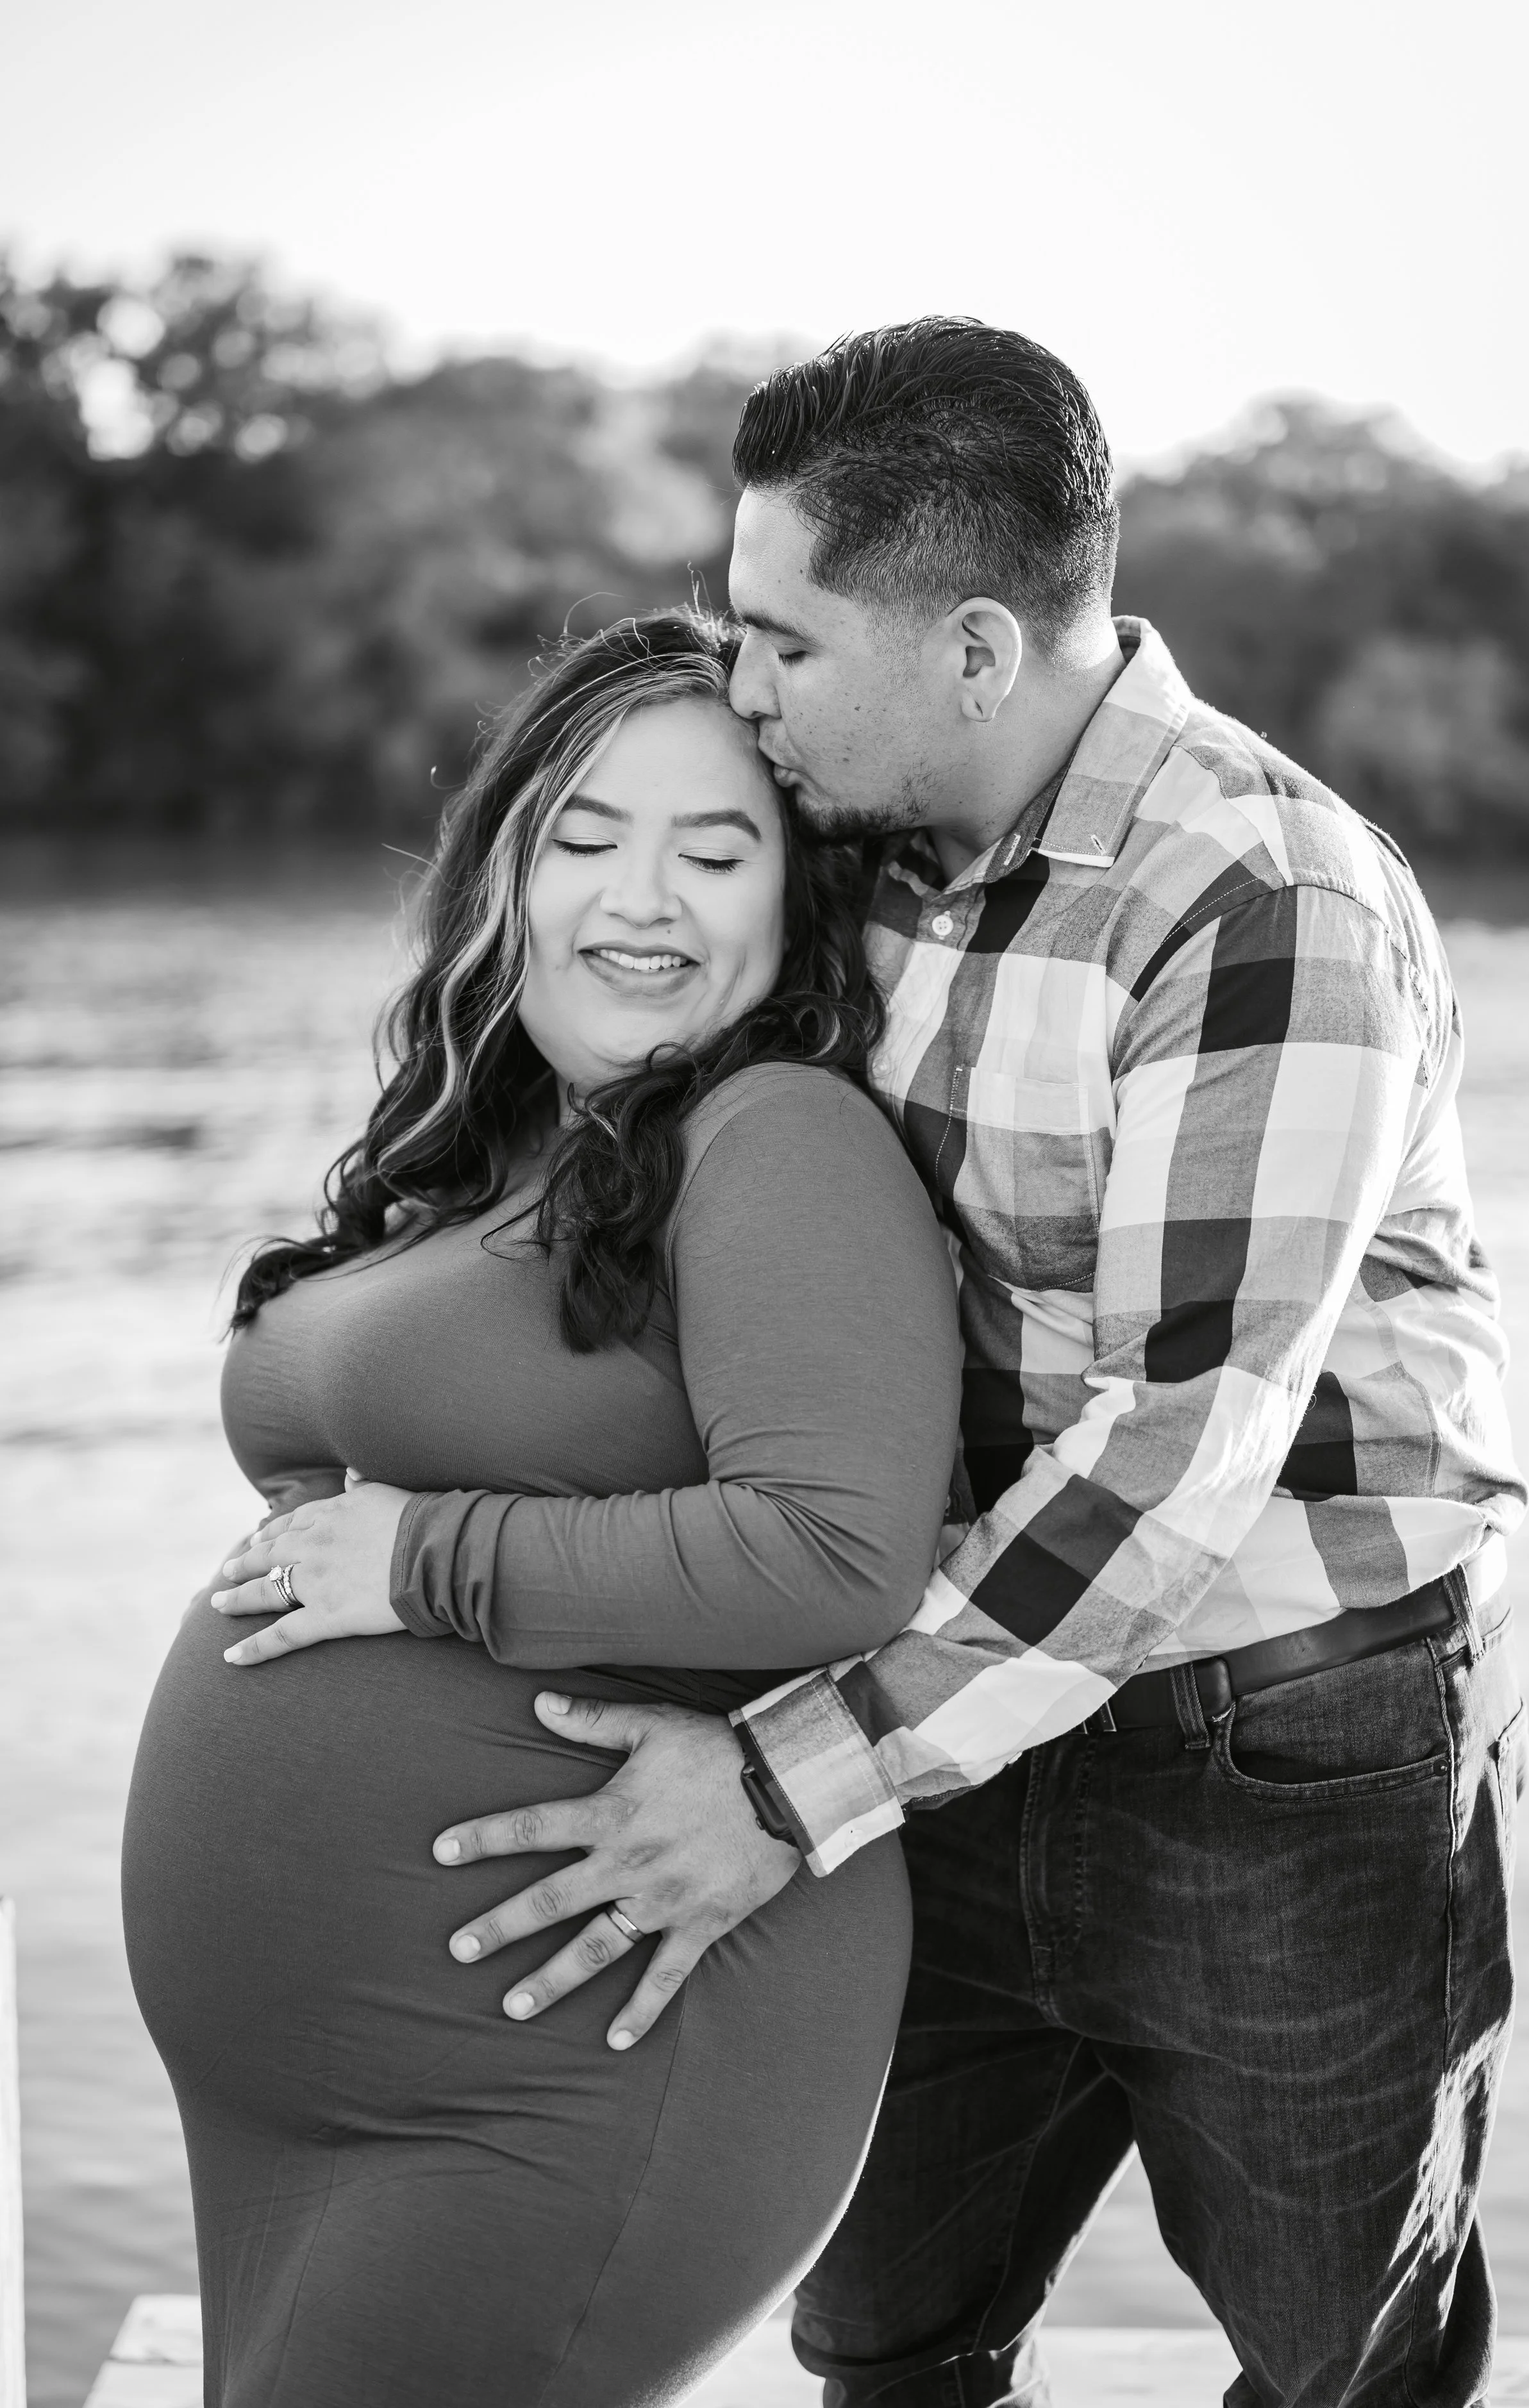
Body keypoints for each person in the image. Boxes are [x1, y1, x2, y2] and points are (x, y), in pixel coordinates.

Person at [436, 322, 1529, 2408]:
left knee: (1341, 2361)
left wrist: (778, 1787)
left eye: (780, 638)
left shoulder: (1258, 896)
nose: (739, 681)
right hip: (943, 1689)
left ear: (969, 650)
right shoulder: (852, 834)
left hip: (1280, 1737)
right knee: (883, 2326)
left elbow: (1173, 1456)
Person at [121, 610, 963, 2408]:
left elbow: (833, 1552)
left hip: (572, 2069)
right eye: (586, 837)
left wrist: (428, 1561)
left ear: (794, 898)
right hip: (319, 2096)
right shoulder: (497, 1147)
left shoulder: (774, 1137)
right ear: (505, 865)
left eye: (714, 853)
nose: (642, 899)